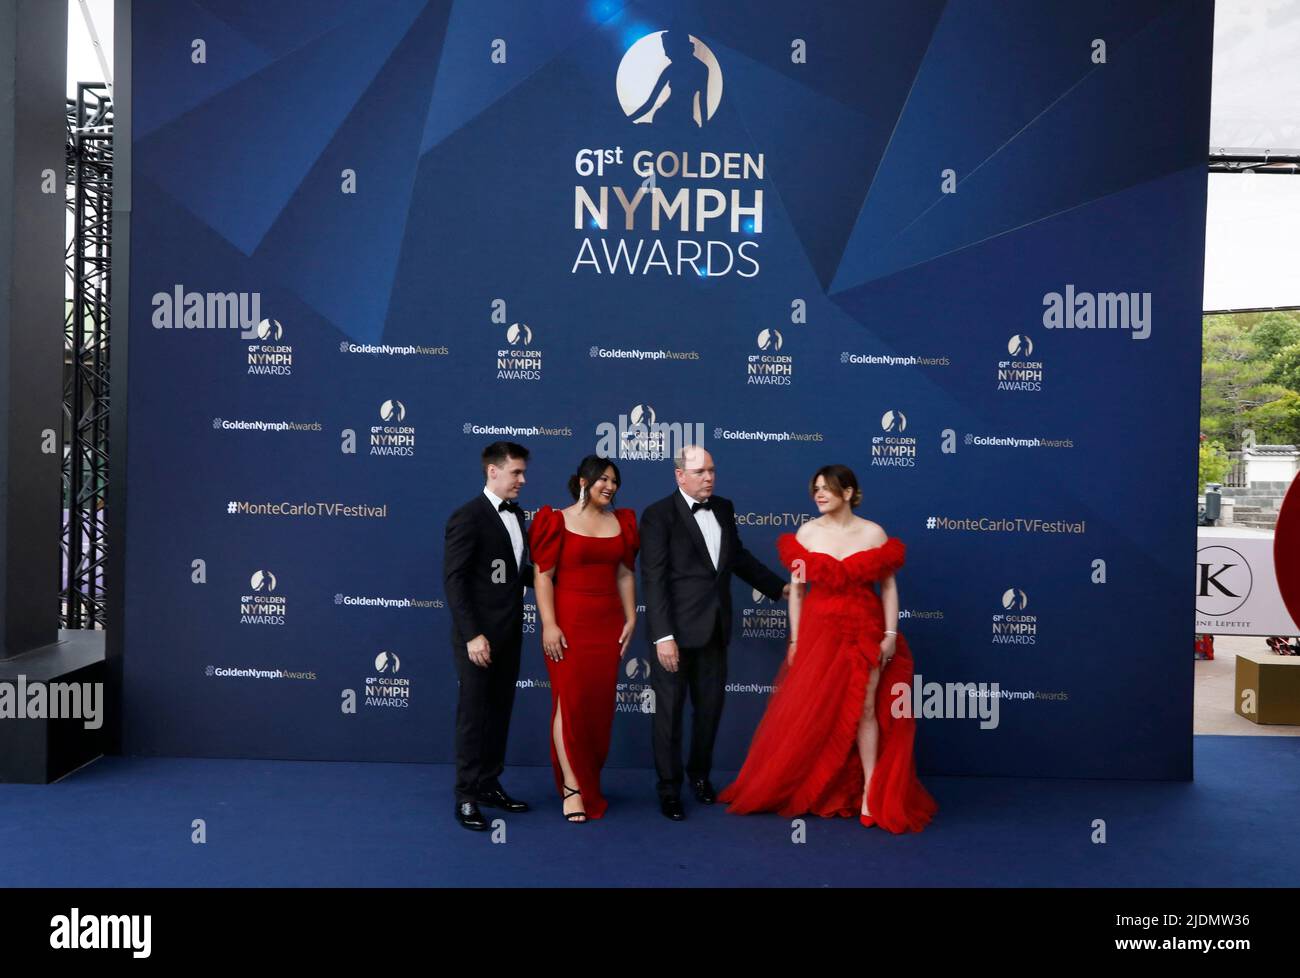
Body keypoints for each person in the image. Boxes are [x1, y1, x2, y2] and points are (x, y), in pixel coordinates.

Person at [718, 465, 938, 833]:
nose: (819, 494)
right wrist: (796, 639)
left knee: (866, 709)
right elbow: (798, 592)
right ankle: (819, 785)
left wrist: (889, 634)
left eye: (827, 489)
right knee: (817, 708)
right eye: (815, 489)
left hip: (865, 629)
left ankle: (871, 789)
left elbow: (888, 588)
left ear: (848, 493)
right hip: (819, 632)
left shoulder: (873, 533)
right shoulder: (806, 534)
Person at [639, 444, 787, 820]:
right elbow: (653, 580)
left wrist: (779, 588)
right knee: (668, 716)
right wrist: (662, 636)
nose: (709, 478)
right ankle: (669, 790)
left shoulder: (723, 507)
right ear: (679, 476)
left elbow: (737, 558)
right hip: (674, 634)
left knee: (709, 712)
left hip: (715, 629)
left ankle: (699, 777)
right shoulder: (658, 516)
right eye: (701, 472)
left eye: (712, 470)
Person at [529, 456, 639, 822]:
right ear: (582, 482)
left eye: (614, 481)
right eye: (602, 480)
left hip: (607, 624)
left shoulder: (622, 522)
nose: (609, 486)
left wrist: (632, 616)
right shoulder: (555, 520)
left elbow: (624, 574)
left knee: (596, 709)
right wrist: (549, 624)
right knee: (569, 702)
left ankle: (588, 778)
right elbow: (543, 576)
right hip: (568, 625)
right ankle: (573, 788)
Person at [443, 442, 534, 831]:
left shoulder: (518, 516)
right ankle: (465, 796)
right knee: (473, 717)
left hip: (511, 632)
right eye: (516, 472)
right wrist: (473, 635)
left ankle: (488, 784)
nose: (523, 480)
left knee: (499, 713)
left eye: (523, 472)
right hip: (478, 638)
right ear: (492, 472)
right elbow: (456, 580)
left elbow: (517, 574)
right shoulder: (468, 516)